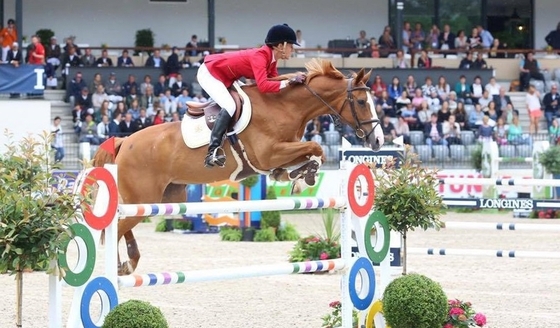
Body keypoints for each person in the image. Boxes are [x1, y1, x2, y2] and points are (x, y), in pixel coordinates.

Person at [197, 24, 305, 168]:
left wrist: (292, 84)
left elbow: (274, 82)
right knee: (230, 105)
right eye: (291, 45)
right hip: (210, 73)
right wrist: (289, 82)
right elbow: (263, 86)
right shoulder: (260, 57)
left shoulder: (271, 59)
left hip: (228, 77)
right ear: (281, 45)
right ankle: (213, 151)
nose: (293, 49)